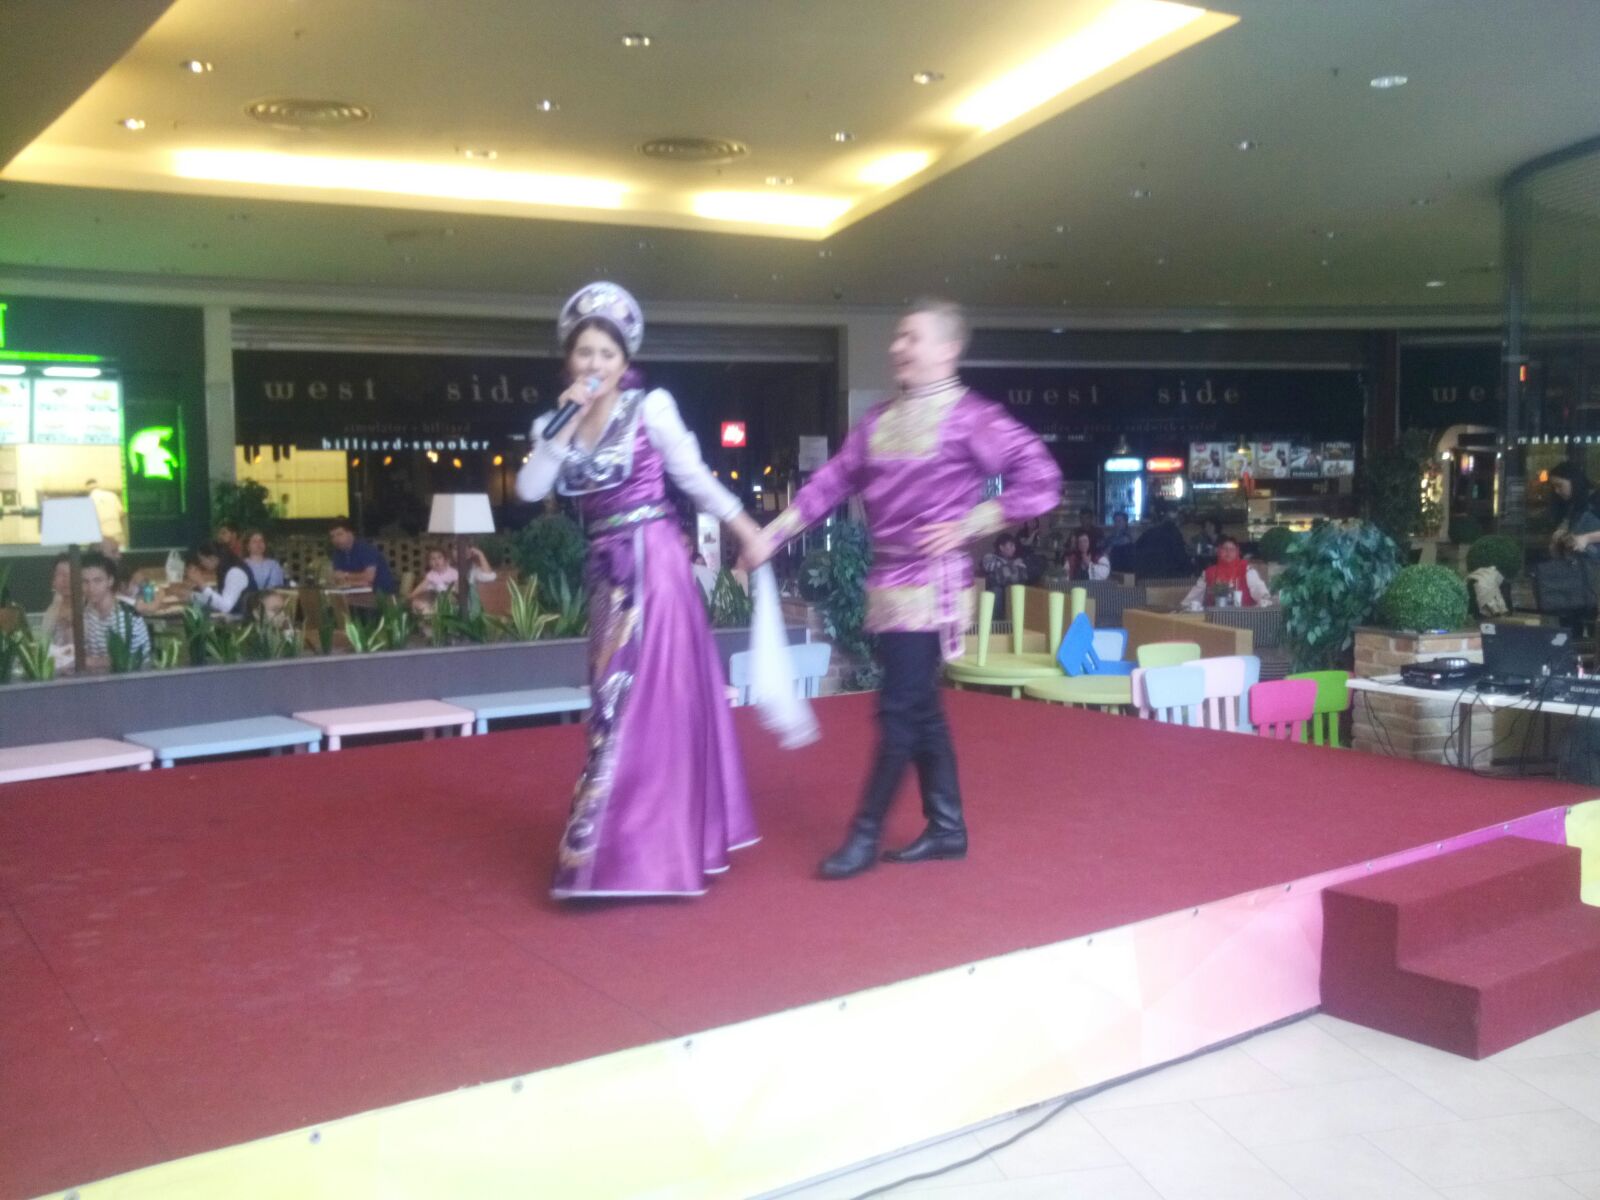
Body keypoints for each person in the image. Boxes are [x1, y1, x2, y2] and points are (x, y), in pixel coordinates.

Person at [743, 297, 1061, 879]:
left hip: (932, 587)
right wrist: (772, 536)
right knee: (920, 709)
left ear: (948, 348)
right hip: (887, 581)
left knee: (897, 710)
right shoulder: (877, 421)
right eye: (897, 337)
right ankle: (947, 827)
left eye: (911, 337)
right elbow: (829, 484)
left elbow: (1042, 478)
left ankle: (865, 834)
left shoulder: (973, 418)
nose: (897, 347)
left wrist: (972, 522)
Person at [516, 280, 763, 900]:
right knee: (608, 701)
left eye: (607, 353)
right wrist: (564, 425)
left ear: (625, 360)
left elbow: (694, 478)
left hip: (656, 563)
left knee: (648, 700)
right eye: (584, 352)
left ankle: (638, 853)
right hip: (606, 568)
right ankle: (620, 848)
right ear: (568, 359)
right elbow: (528, 490)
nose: (594, 363)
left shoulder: (651, 408)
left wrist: (746, 529)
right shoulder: (554, 423)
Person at [75, 550, 151, 673]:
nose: (91, 588)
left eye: (97, 581)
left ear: (110, 581)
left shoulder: (127, 615)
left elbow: (127, 660)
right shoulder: (85, 612)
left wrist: (85, 661)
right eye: (85, 582)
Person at [1180, 536, 1273, 610]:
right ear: (1219, 551)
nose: (1228, 552)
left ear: (1237, 552)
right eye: (1224, 549)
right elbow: (1191, 599)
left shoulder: (1247, 571)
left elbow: (1262, 594)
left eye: (1232, 550)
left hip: (1244, 618)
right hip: (1214, 620)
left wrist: (1260, 605)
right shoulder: (1209, 573)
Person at [409, 545, 496, 611]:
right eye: (455, 549)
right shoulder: (434, 573)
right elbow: (423, 586)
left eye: (462, 548)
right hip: (437, 604)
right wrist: (412, 596)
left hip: (458, 606)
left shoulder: (469, 569)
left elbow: (489, 577)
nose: (458, 552)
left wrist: (480, 554)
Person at [187, 540, 259, 617]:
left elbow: (225, 607)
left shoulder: (235, 572)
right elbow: (218, 601)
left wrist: (201, 583)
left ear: (212, 558)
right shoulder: (224, 569)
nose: (201, 564)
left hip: (241, 619)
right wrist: (193, 596)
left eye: (202, 560)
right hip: (234, 616)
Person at [328, 520, 397, 593]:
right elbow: (339, 579)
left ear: (350, 533)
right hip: (356, 592)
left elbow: (369, 577)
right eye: (332, 536)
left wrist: (346, 575)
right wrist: (356, 582)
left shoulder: (365, 549)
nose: (336, 539)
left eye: (339, 534)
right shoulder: (337, 553)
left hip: (381, 593)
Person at [1549, 461, 1600, 560]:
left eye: (1559, 485)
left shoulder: (1597, 498)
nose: (1556, 491)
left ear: (1573, 481)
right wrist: (1560, 538)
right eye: (1554, 487)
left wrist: (1587, 538)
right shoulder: (1572, 505)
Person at [1133, 498, 1190, 578]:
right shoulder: (1174, 532)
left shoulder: (1148, 533)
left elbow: (1136, 550)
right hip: (1168, 576)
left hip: (1145, 576)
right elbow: (1181, 557)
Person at [981, 532, 1030, 617]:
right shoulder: (989, 556)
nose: (1014, 548)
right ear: (1001, 547)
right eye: (1011, 545)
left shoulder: (1014, 560)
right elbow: (990, 567)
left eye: (1014, 546)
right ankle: (996, 622)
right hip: (993, 592)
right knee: (997, 590)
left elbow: (1023, 575)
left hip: (1011, 590)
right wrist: (1012, 564)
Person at [87, 478, 125, 548]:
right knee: (119, 551)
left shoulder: (89, 500)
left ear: (88, 489)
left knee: (104, 553)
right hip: (116, 530)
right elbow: (121, 513)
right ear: (98, 486)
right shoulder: (112, 495)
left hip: (102, 534)